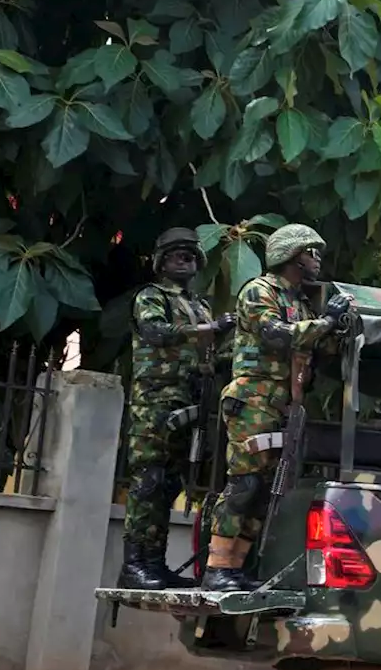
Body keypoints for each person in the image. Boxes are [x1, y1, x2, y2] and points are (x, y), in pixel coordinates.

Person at [201, 224, 353, 592]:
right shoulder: (259, 290)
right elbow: (276, 334)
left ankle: (236, 568)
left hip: (284, 403)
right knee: (245, 483)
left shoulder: (301, 302)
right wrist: (326, 322)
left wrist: (339, 330)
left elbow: (316, 346)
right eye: (311, 252)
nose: (317, 260)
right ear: (292, 255)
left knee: (269, 486)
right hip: (252, 398)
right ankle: (216, 567)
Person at [121, 228, 234, 590]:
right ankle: (135, 564)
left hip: (190, 402)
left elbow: (209, 354)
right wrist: (209, 328)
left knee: (170, 486)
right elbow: (156, 331)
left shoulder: (199, 304)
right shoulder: (151, 297)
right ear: (160, 263)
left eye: (189, 255)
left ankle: (155, 564)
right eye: (175, 255)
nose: (183, 260)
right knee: (148, 483)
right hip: (154, 403)